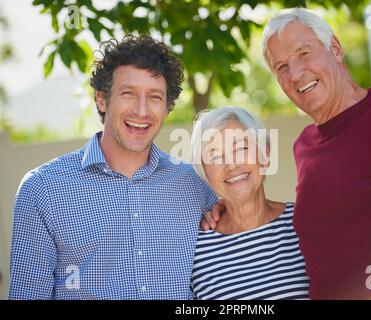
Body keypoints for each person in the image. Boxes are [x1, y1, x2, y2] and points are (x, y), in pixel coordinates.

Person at [204, 8, 371, 299]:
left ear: (335, 48)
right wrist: (227, 205)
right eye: (281, 67)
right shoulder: (304, 146)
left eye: (304, 52)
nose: (295, 73)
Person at [9, 35, 217, 299]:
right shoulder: (42, 190)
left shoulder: (194, 184)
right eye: (128, 93)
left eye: (154, 97)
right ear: (102, 100)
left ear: (167, 108)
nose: (141, 111)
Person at [190, 106, 309, 299]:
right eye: (215, 155)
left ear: (266, 155)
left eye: (241, 148)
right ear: (204, 173)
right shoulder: (196, 251)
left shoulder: (305, 223)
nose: (232, 165)